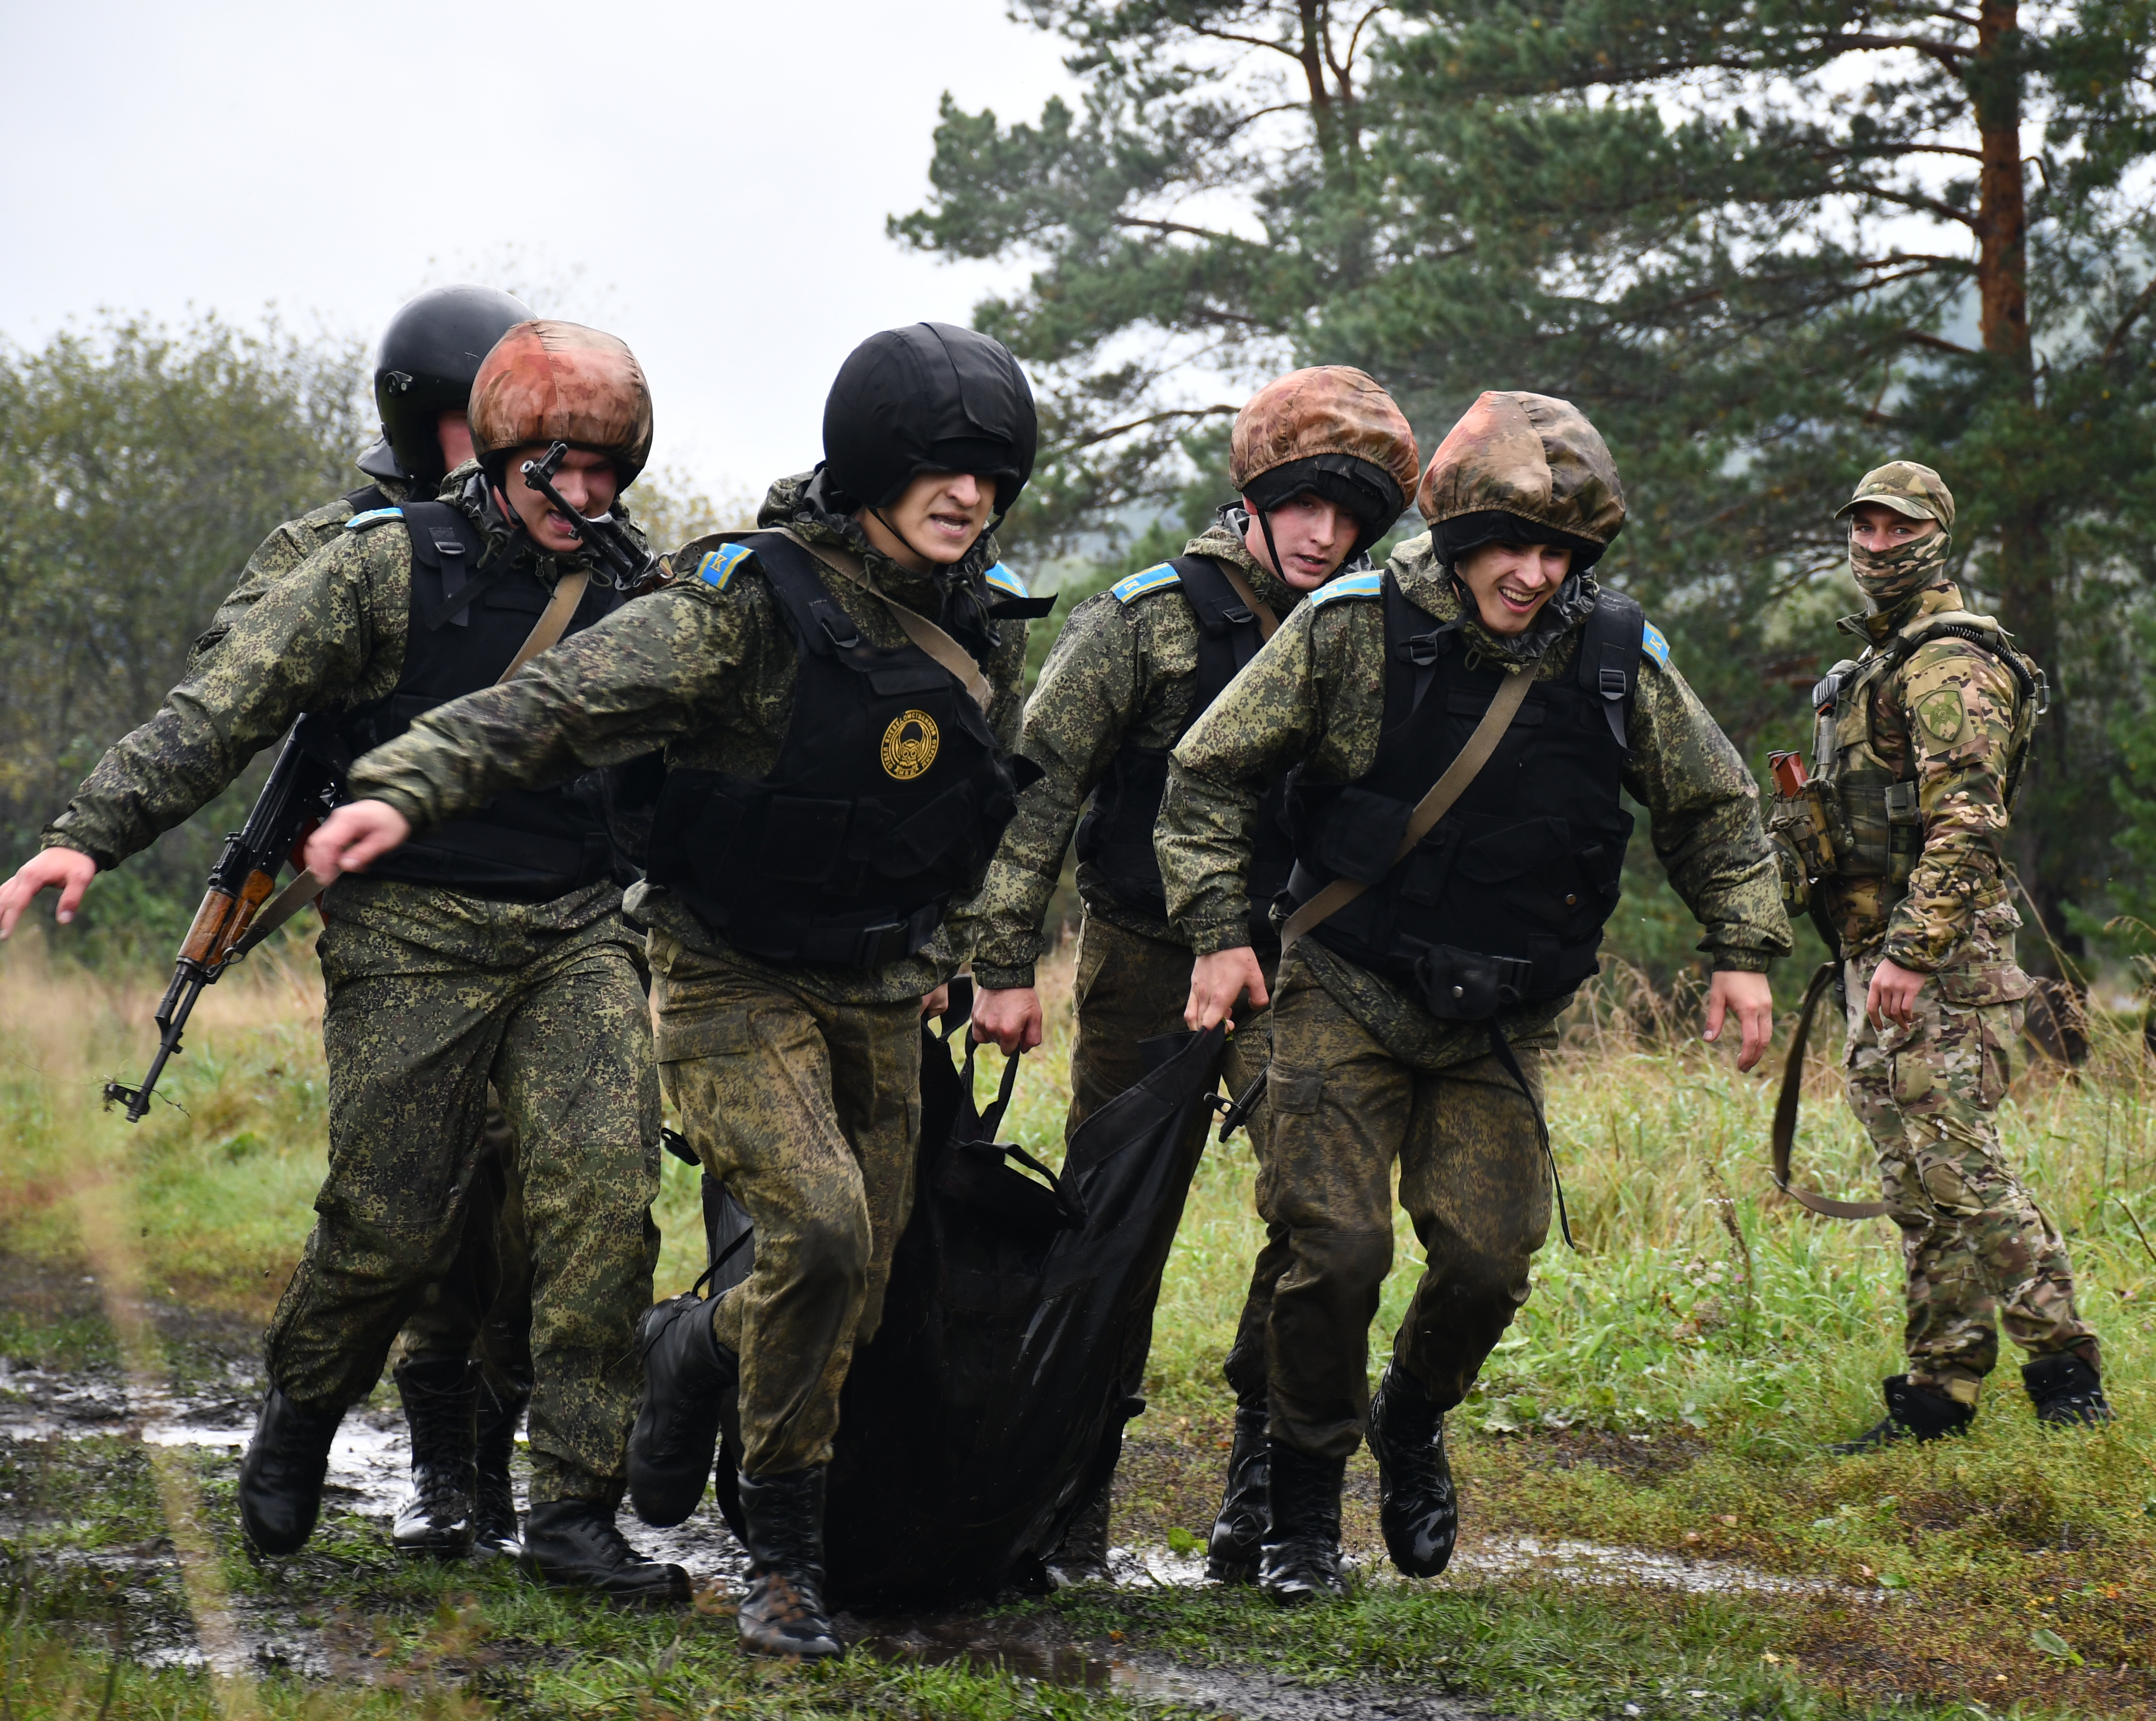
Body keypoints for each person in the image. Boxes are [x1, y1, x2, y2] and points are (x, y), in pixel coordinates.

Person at [300, 322, 1045, 1661]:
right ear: (870, 463)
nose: (967, 497)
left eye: (991, 477)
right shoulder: (747, 600)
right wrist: (403, 787)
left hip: (882, 981)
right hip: (729, 972)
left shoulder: (986, 615)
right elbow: (563, 702)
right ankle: (782, 1565)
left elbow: (988, 798)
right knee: (821, 1230)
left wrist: (971, 949)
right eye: (940, 469)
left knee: (856, 1287)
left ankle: (691, 1348)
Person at [0, 318, 683, 1600]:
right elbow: (224, 708)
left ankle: (574, 1510)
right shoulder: (383, 566)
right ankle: (306, 1405)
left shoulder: (640, 595)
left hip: (578, 928)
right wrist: (84, 835)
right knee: (389, 1227)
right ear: (503, 452)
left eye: (610, 472)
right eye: (565, 469)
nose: (587, 496)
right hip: (410, 930)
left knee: (604, 1207)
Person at [1154, 390, 1792, 1603]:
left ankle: (1409, 1414)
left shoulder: (1617, 656)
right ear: (1458, 537)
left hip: (1497, 1020)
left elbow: (1714, 806)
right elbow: (1209, 777)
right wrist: (1219, 935)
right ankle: (1299, 1509)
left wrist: (1744, 947)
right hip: (1341, 989)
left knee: (1491, 1262)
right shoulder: (1351, 628)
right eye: (1513, 545)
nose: (1536, 575)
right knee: (1334, 1248)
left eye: (1562, 553)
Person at [964, 366, 1421, 1585]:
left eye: (1352, 514)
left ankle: (1268, 1496)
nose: (1325, 534)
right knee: (1112, 1226)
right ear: (1257, 498)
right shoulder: (1149, 619)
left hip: (1306, 967)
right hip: (1147, 959)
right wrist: (1002, 962)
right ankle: (1068, 1503)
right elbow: (1037, 792)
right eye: (1305, 504)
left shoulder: (1376, 632)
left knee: (1323, 1219)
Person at [193, 284, 544, 1566]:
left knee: (539, 1193)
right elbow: (238, 664)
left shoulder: (568, 529)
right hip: (402, 903)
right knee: (424, 1190)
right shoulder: (339, 541)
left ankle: (492, 1458)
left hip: (553, 899)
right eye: (469, 420)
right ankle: (436, 1454)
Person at [1794, 461, 2110, 1450]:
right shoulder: (1881, 660)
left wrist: (1914, 952)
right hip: (1883, 953)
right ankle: (1941, 1391)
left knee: (1961, 1169)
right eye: (1865, 527)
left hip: (1939, 959)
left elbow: (1968, 823)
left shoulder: (1948, 664)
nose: (1878, 545)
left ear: (1938, 536)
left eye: (1900, 528)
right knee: (1918, 1183)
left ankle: (2067, 1375)